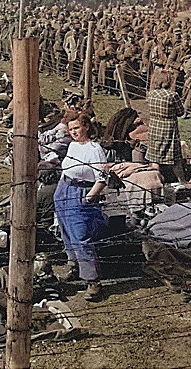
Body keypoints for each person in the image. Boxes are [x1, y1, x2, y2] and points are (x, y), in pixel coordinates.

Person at [54, 111, 108, 301]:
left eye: (77, 128)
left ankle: (92, 281)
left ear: (85, 126)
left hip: (81, 192)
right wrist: (59, 192)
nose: (74, 132)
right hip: (64, 189)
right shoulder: (73, 146)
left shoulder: (94, 149)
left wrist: (89, 198)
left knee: (81, 235)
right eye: (71, 129)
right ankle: (73, 265)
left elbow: (102, 178)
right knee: (66, 231)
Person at [145, 70, 186, 183]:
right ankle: (182, 181)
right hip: (168, 128)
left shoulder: (151, 94)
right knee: (175, 158)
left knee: (154, 157)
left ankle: (155, 181)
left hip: (154, 127)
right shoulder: (172, 95)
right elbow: (180, 112)